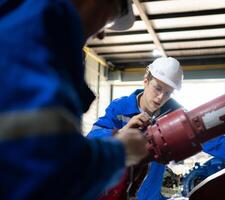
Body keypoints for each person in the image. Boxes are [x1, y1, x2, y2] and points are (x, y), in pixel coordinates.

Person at [0, 0, 148, 199]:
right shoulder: (36, 37)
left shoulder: (15, 21)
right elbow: (52, 173)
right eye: (110, 17)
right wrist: (121, 152)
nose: (101, 35)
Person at [88, 57, 225, 200]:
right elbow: (92, 137)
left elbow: (204, 136)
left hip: (150, 195)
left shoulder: (176, 114)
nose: (160, 97)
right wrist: (121, 132)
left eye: (168, 93)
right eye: (157, 88)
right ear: (146, 81)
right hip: (114, 192)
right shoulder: (120, 107)